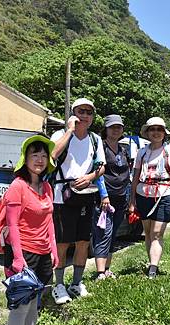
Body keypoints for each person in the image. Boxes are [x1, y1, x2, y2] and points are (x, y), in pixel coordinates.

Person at [2, 135, 58, 325]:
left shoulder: (46, 187)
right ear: (25, 159)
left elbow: (49, 221)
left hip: (43, 253)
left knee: (34, 303)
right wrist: (17, 258)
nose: (40, 159)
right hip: (22, 253)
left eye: (44, 155)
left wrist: (54, 250)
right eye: (35, 155)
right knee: (20, 306)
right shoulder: (17, 187)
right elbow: (12, 225)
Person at [50, 98, 107, 303]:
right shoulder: (60, 134)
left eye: (89, 112)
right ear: (73, 113)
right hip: (62, 195)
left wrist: (90, 177)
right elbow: (53, 155)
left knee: (83, 241)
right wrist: (69, 130)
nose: (85, 115)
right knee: (62, 243)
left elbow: (101, 166)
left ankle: (76, 283)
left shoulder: (95, 139)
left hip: (86, 194)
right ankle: (58, 285)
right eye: (80, 111)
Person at [128, 117, 170, 278]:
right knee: (148, 232)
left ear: (164, 133)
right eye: (153, 129)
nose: (156, 132)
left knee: (157, 233)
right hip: (143, 194)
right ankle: (151, 261)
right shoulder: (142, 152)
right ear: (148, 132)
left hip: (163, 195)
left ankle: (153, 268)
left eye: (159, 129)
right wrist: (132, 201)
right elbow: (136, 176)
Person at [92, 114, 130, 279]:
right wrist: (104, 195)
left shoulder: (123, 149)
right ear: (106, 129)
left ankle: (107, 269)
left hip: (121, 198)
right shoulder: (101, 147)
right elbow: (98, 173)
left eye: (119, 127)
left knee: (113, 233)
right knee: (103, 232)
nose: (116, 130)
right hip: (104, 198)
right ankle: (100, 272)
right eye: (112, 127)